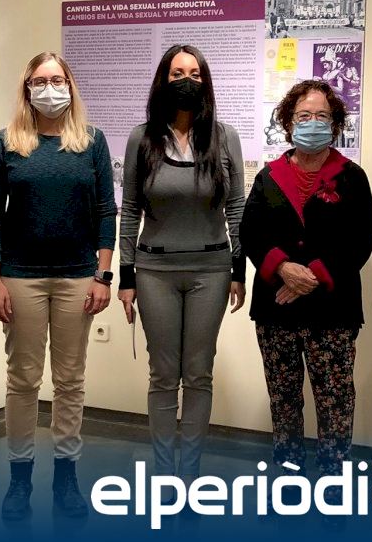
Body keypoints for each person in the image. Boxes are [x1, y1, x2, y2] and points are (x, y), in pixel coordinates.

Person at [0, 52, 116, 520]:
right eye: (40, 81)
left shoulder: (91, 141)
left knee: (70, 381)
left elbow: (106, 211)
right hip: (20, 276)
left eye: (58, 80)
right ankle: (19, 479)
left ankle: (66, 477)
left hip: (78, 275)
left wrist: (103, 275)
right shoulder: (7, 142)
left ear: (70, 86)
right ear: (27, 88)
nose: (50, 89)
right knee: (22, 380)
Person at [241, 80, 372, 530]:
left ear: (334, 123)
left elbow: (360, 240)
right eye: (303, 116)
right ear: (288, 122)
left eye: (321, 116)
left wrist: (310, 276)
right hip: (275, 310)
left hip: (331, 310)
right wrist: (281, 267)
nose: (312, 123)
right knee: (284, 400)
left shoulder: (352, 177)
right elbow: (251, 233)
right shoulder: (268, 176)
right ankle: (289, 483)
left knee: (335, 402)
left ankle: (334, 488)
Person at [117, 44, 246, 485]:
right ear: (163, 80)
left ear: (205, 82)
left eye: (194, 73)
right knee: (162, 375)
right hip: (155, 272)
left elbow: (236, 207)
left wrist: (239, 270)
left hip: (212, 271)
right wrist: (127, 277)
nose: (185, 80)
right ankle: (164, 476)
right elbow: (130, 210)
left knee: (198, 374)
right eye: (176, 73)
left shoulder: (225, 138)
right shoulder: (142, 138)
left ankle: (190, 475)